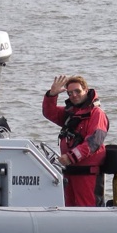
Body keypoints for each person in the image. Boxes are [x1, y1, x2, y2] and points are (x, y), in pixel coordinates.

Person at [42, 74, 109, 207]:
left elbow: (93, 142)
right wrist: (51, 95)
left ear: (85, 90)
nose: (74, 95)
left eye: (77, 91)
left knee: (87, 210)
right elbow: (49, 112)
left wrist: (71, 157)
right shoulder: (71, 114)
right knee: (70, 210)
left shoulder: (97, 114)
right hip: (70, 172)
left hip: (87, 174)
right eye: (70, 93)